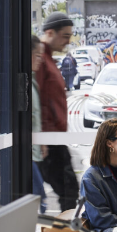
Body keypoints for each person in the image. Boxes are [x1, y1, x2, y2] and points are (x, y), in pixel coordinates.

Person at [37, 12, 79, 212]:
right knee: (68, 190)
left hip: (53, 138)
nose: (68, 41)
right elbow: (37, 102)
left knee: (67, 191)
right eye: (65, 36)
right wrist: (42, 139)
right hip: (48, 141)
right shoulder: (40, 59)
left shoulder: (49, 59)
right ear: (49, 32)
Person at [29, 35, 48, 214]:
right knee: (39, 201)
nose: (40, 60)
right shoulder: (24, 85)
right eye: (37, 55)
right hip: (26, 156)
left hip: (33, 154)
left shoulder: (32, 82)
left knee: (38, 200)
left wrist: (41, 141)